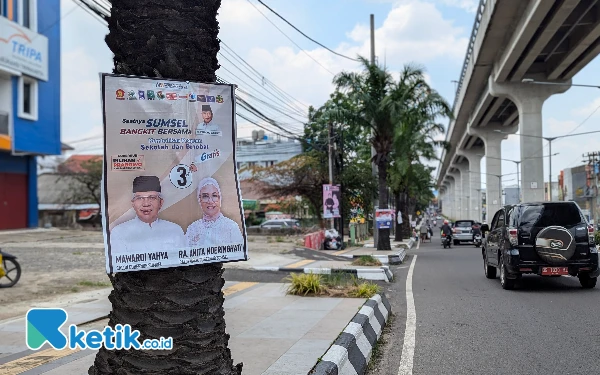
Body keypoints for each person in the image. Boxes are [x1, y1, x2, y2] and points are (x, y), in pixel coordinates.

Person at [110, 176, 186, 255]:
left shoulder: (175, 230)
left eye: (152, 198)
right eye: (140, 198)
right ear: (133, 203)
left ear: (161, 203)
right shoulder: (119, 232)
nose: (146, 204)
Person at [186, 177, 244, 247]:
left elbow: (238, 253)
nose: (210, 201)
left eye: (214, 196)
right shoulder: (192, 228)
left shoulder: (231, 227)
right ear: (199, 200)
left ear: (220, 198)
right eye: (205, 196)